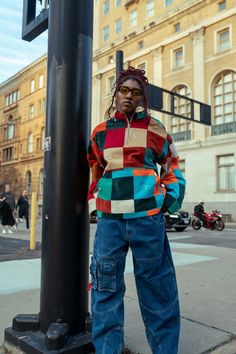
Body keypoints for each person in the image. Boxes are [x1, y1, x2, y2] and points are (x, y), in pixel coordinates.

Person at [87, 66, 186, 354]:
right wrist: (97, 200)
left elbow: (172, 166)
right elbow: (94, 168)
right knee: (106, 290)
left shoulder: (156, 129)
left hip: (148, 221)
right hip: (110, 223)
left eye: (135, 92)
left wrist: (169, 199)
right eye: (123, 90)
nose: (129, 97)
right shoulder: (100, 133)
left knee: (158, 291)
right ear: (115, 94)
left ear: (142, 97)